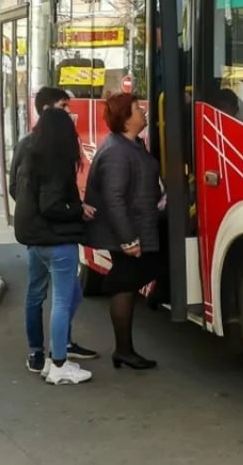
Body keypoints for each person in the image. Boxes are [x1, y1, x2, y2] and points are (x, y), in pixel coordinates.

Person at [9, 86, 98, 371]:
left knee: (50, 294)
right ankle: (53, 357)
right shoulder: (45, 149)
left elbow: (17, 190)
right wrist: (74, 211)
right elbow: (43, 199)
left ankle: (50, 349)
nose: (69, 113)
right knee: (60, 297)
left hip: (35, 235)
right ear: (47, 109)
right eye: (63, 107)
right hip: (52, 235)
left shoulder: (30, 145)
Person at [84, 93, 162, 370]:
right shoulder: (117, 150)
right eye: (138, 109)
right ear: (126, 118)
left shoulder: (133, 144)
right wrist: (128, 239)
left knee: (139, 275)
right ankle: (124, 350)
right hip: (128, 231)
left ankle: (124, 349)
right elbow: (114, 199)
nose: (144, 112)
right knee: (126, 282)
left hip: (140, 224)